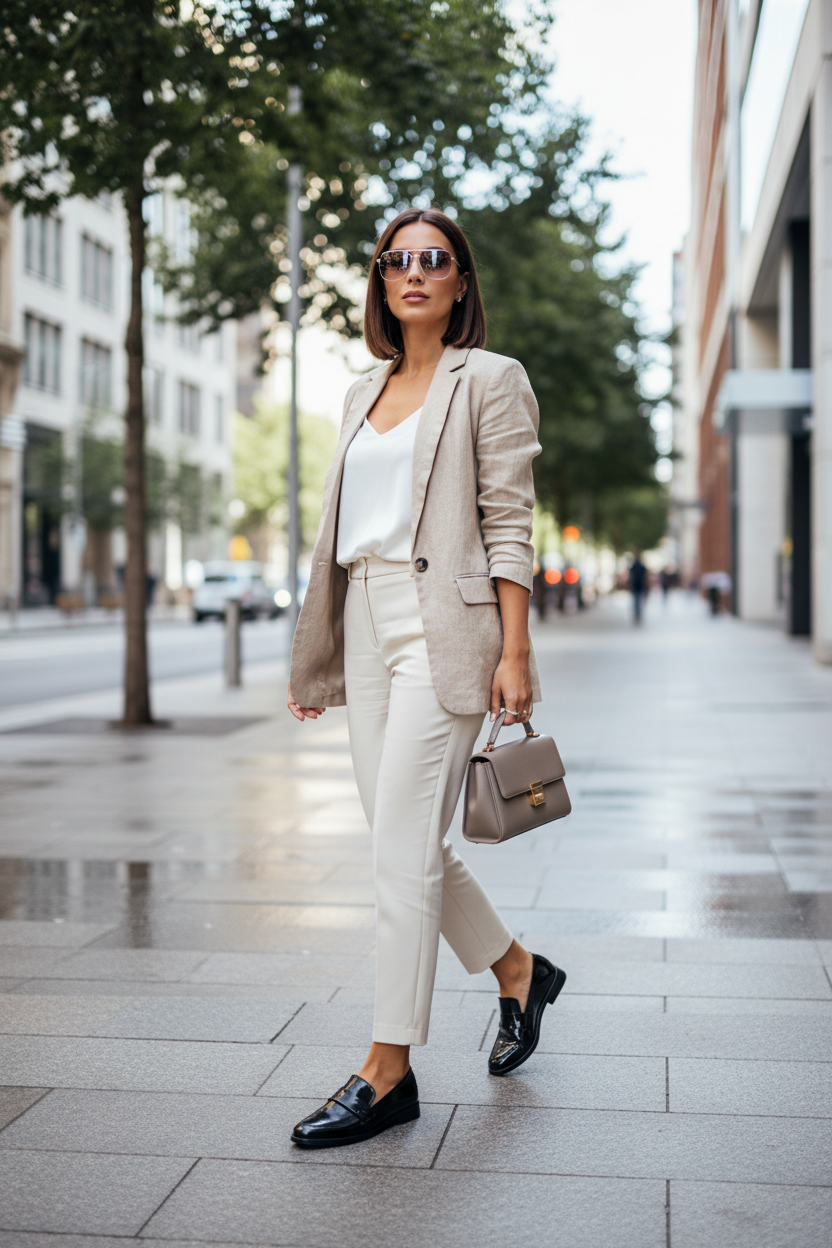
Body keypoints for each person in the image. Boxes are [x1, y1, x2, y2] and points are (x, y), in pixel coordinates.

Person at [286, 207, 566, 1149]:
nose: (414, 271)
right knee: (399, 840)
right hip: (366, 622)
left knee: (401, 854)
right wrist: (322, 652)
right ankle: (519, 970)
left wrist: (514, 652)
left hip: (445, 627)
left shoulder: (490, 378)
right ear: (379, 279)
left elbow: (509, 522)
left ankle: (388, 1068)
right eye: (397, 259)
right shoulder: (360, 389)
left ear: (460, 282)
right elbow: (339, 535)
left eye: (434, 259)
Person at [628, 549, 648, 623]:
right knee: (638, 601)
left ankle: (637, 614)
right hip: (638, 586)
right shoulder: (639, 566)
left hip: (637, 585)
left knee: (637, 601)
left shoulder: (636, 566)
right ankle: (638, 614)